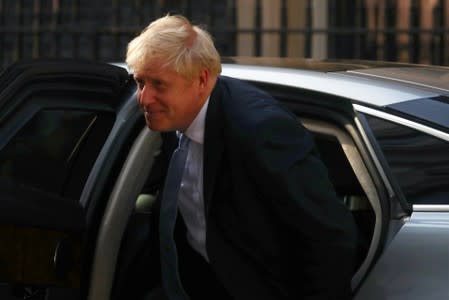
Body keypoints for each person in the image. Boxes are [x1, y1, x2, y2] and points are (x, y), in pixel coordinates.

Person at [126, 14, 358, 300]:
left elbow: (329, 238)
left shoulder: (258, 131)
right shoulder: (174, 118)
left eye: (159, 85)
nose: (144, 99)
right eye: (140, 82)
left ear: (201, 79)